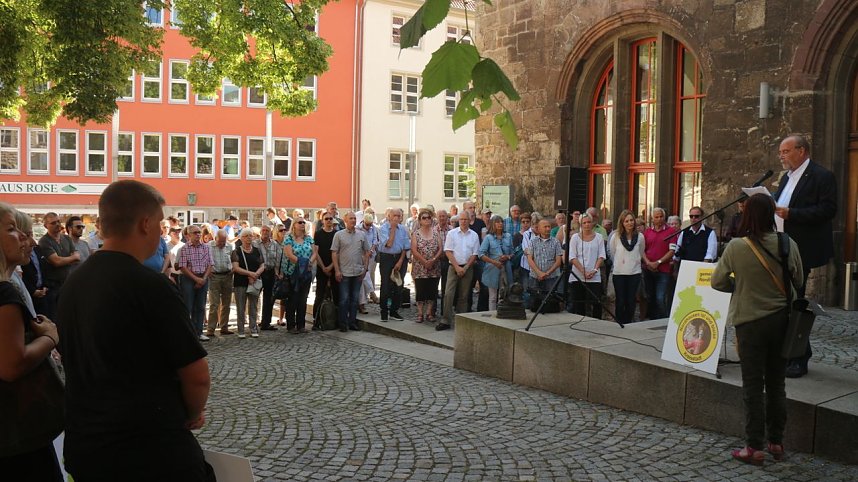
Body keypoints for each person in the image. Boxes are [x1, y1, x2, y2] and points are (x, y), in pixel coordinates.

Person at [57, 180, 213, 480]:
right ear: (145, 224)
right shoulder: (150, 285)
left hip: (87, 447)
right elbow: (197, 376)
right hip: (149, 450)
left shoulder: (74, 284)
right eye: (159, 224)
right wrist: (192, 415)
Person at [711, 193, 803, 466]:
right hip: (781, 322)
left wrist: (739, 286)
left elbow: (717, 282)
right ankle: (776, 441)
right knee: (777, 384)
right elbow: (798, 279)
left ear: (748, 215)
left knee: (753, 385)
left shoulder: (737, 247)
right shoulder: (787, 243)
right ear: (772, 215)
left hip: (750, 324)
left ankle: (754, 446)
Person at [1, 203, 64, 481]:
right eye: (12, 229)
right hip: (15, 432)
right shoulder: (5, 293)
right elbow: (12, 364)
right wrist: (50, 338)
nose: (25, 238)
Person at [773, 134, 837, 378]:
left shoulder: (822, 176)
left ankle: (799, 356)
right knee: (784, 302)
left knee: (795, 302)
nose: (781, 155)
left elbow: (828, 210)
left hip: (801, 251)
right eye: (781, 152)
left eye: (786, 151)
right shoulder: (785, 178)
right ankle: (786, 352)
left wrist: (792, 214)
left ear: (802, 151)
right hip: (780, 246)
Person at [440, 212, 480, 331]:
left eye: (465, 219)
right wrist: (457, 267)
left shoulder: (474, 235)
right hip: (453, 267)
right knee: (448, 293)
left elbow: (475, 254)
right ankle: (446, 320)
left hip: (468, 267)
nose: (463, 221)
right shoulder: (452, 233)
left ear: (469, 220)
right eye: (461, 219)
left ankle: (460, 320)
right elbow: (448, 251)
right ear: (459, 220)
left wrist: (466, 268)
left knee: (464, 295)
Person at [331, 211, 371, 332]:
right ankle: (343, 323)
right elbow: (334, 253)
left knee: (354, 299)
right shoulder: (339, 235)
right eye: (351, 218)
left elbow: (367, 252)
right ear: (345, 220)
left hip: (358, 272)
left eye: (354, 218)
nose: (353, 220)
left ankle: (352, 322)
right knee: (344, 299)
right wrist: (337, 270)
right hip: (344, 272)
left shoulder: (361, 235)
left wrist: (365, 268)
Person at [37, 212, 79, 321]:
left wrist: (64, 260)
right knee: (54, 319)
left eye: (58, 221)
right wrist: (70, 259)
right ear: (46, 226)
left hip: (67, 283)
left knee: (69, 316)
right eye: (53, 223)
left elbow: (77, 257)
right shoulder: (44, 241)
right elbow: (56, 262)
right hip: (52, 287)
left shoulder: (66, 238)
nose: (57, 224)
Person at [280, 217, 317, 334]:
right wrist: (303, 264)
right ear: (294, 224)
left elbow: (315, 252)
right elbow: (289, 254)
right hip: (292, 273)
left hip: (306, 274)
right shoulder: (288, 238)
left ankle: (301, 325)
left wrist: (309, 262)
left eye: (304, 222)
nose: (302, 224)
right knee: (292, 299)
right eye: (300, 222)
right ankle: (291, 325)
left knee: (303, 299)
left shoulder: (308, 238)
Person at [608, 210, 646, 324]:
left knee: (631, 300)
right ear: (622, 223)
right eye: (626, 221)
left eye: (631, 220)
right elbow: (612, 253)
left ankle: (628, 322)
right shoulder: (616, 236)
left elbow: (640, 251)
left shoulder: (640, 237)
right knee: (620, 300)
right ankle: (620, 322)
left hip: (634, 273)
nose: (629, 223)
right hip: (619, 273)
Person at [177, 224, 213, 341]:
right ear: (188, 235)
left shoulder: (206, 247)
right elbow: (182, 267)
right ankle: (189, 333)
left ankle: (199, 331)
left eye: (199, 232)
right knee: (188, 305)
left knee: (201, 306)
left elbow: (210, 264)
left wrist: (203, 279)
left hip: (203, 277)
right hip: (188, 279)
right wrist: (196, 279)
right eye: (195, 233)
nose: (198, 234)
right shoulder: (184, 248)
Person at [568, 214, 606, 318]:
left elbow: (601, 256)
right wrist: (583, 271)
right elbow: (572, 256)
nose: (587, 225)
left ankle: (597, 324)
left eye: (589, 222)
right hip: (578, 275)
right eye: (584, 223)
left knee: (596, 302)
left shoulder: (599, 237)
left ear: (592, 223)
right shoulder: (575, 238)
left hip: (594, 276)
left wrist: (594, 270)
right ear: (580, 224)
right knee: (579, 303)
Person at [641, 207, 676, 319]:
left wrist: (658, 262)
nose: (659, 219)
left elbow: (672, 251)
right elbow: (641, 250)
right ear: (652, 218)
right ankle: (652, 319)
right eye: (656, 217)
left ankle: (664, 320)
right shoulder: (647, 232)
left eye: (661, 216)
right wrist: (648, 263)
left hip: (663, 270)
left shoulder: (671, 231)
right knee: (650, 296)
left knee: (660, 297)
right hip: (648, 269)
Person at [410, 209, 443, 322]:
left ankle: (429, 313)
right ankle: (420, 313)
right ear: (419, 220)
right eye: (424, 218)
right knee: (420, 290)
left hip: (434, 267)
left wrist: (433, 260)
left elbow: (440, 248)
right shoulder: (416, 234)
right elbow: (414, 250)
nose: (427, 220)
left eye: (429, 217)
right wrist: (424, 261)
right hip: (420, 267)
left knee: (432, 290)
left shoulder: (435, 232)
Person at [378, 208, 410, 322]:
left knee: (398, 285)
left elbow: (405, 247)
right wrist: (392, 229)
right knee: (386, 285)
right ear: (389, 217)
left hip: (399, 258)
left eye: (399, 216)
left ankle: (394, 311)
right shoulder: (383, 229)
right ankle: (384, 311)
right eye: (394, 215)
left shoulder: (403, 229)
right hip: (386, 257)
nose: (396, 218)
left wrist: (400, 261)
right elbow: (388, 244)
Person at [232, 229, 264, 339]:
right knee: (241, 307)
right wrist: (250, 274)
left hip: (254, 282)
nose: (249, 238)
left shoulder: (257, 250)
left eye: (251, 236)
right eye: (246, 236)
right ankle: (241, 330)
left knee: (253, 306)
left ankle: (253, 328)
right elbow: (235, 267)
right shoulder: (236, 251)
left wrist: (255, 275)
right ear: (241, 238)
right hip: (240, 282)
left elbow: (262, 265)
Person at [526, 219, 564, 302]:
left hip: (551, 277)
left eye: (549, 226)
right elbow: (529, 259)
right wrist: (539, 273)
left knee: (550, 301)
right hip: (535, 277)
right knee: (534, 301)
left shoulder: (556, 242)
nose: (548, 229)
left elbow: (558, 261)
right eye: (545, 227)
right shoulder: (532, 241)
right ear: (539, 229)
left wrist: (547, 273)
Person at [480, 215, 513, 310]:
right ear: (493, 224)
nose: (500, 224)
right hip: (492, 269)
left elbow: (512, 252)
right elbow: (481, 254)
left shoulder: (508, 236)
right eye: (497, 222)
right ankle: (492, 316)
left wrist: (507, 256)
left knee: (503, 295)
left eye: (501, 222)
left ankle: (501, 314)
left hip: (506, 268)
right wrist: (494, 262)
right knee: (493, 297)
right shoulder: (488, 238)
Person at [312, 211, 339, 325]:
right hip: (321, 267)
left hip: (334, 266)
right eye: (326, 219)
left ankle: (336, 319)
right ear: (322, 221)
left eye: (330, 219)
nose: (328, 221)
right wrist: (323, 267)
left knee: (336, 293)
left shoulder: (337, 234)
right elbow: (315, 252)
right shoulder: (318, 234)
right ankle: (316, 319)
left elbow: (338, 252)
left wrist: (331, 266)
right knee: (320, 294)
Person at [257, 225, 281, 331]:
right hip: (259, 273)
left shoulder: (275, 244)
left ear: (270, 232)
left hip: (271, 273)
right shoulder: (255, 244)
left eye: (267, 230)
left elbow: (278, 259)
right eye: (263, 230)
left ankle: (266, 323)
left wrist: (277, 272)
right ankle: (254, 322)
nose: (265, 232)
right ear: (260, 232)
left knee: (269, 299)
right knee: (255, 298)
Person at [357, 212, 380, 310]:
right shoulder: (358, 228)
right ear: (363, 222)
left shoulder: (373, 228)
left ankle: (366, 298)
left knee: (369, 274)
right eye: (367, 225)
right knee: (365, 275)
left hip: (371, 254)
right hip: (361, 254)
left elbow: (375, 240)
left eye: (370, 225)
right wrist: (365, 252)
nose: (368, 227)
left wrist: (371, 250)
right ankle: (371, 294)